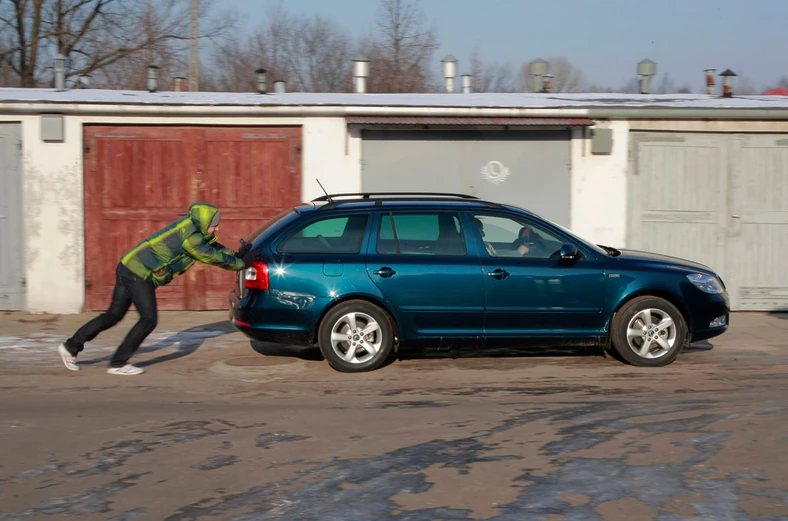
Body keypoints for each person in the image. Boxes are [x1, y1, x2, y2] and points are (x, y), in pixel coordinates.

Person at [57, 202, 259, 376]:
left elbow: (212, 248)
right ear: (206, 223)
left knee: (112, 315)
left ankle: (70, 347)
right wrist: (241, 264)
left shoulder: (192, 227)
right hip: (138, 274)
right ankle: (118, 363)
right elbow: (210, 256)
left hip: (128, 266)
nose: (216, 230)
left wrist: (237, 255)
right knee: (148, 320)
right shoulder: (191, 237)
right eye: (214, 226)